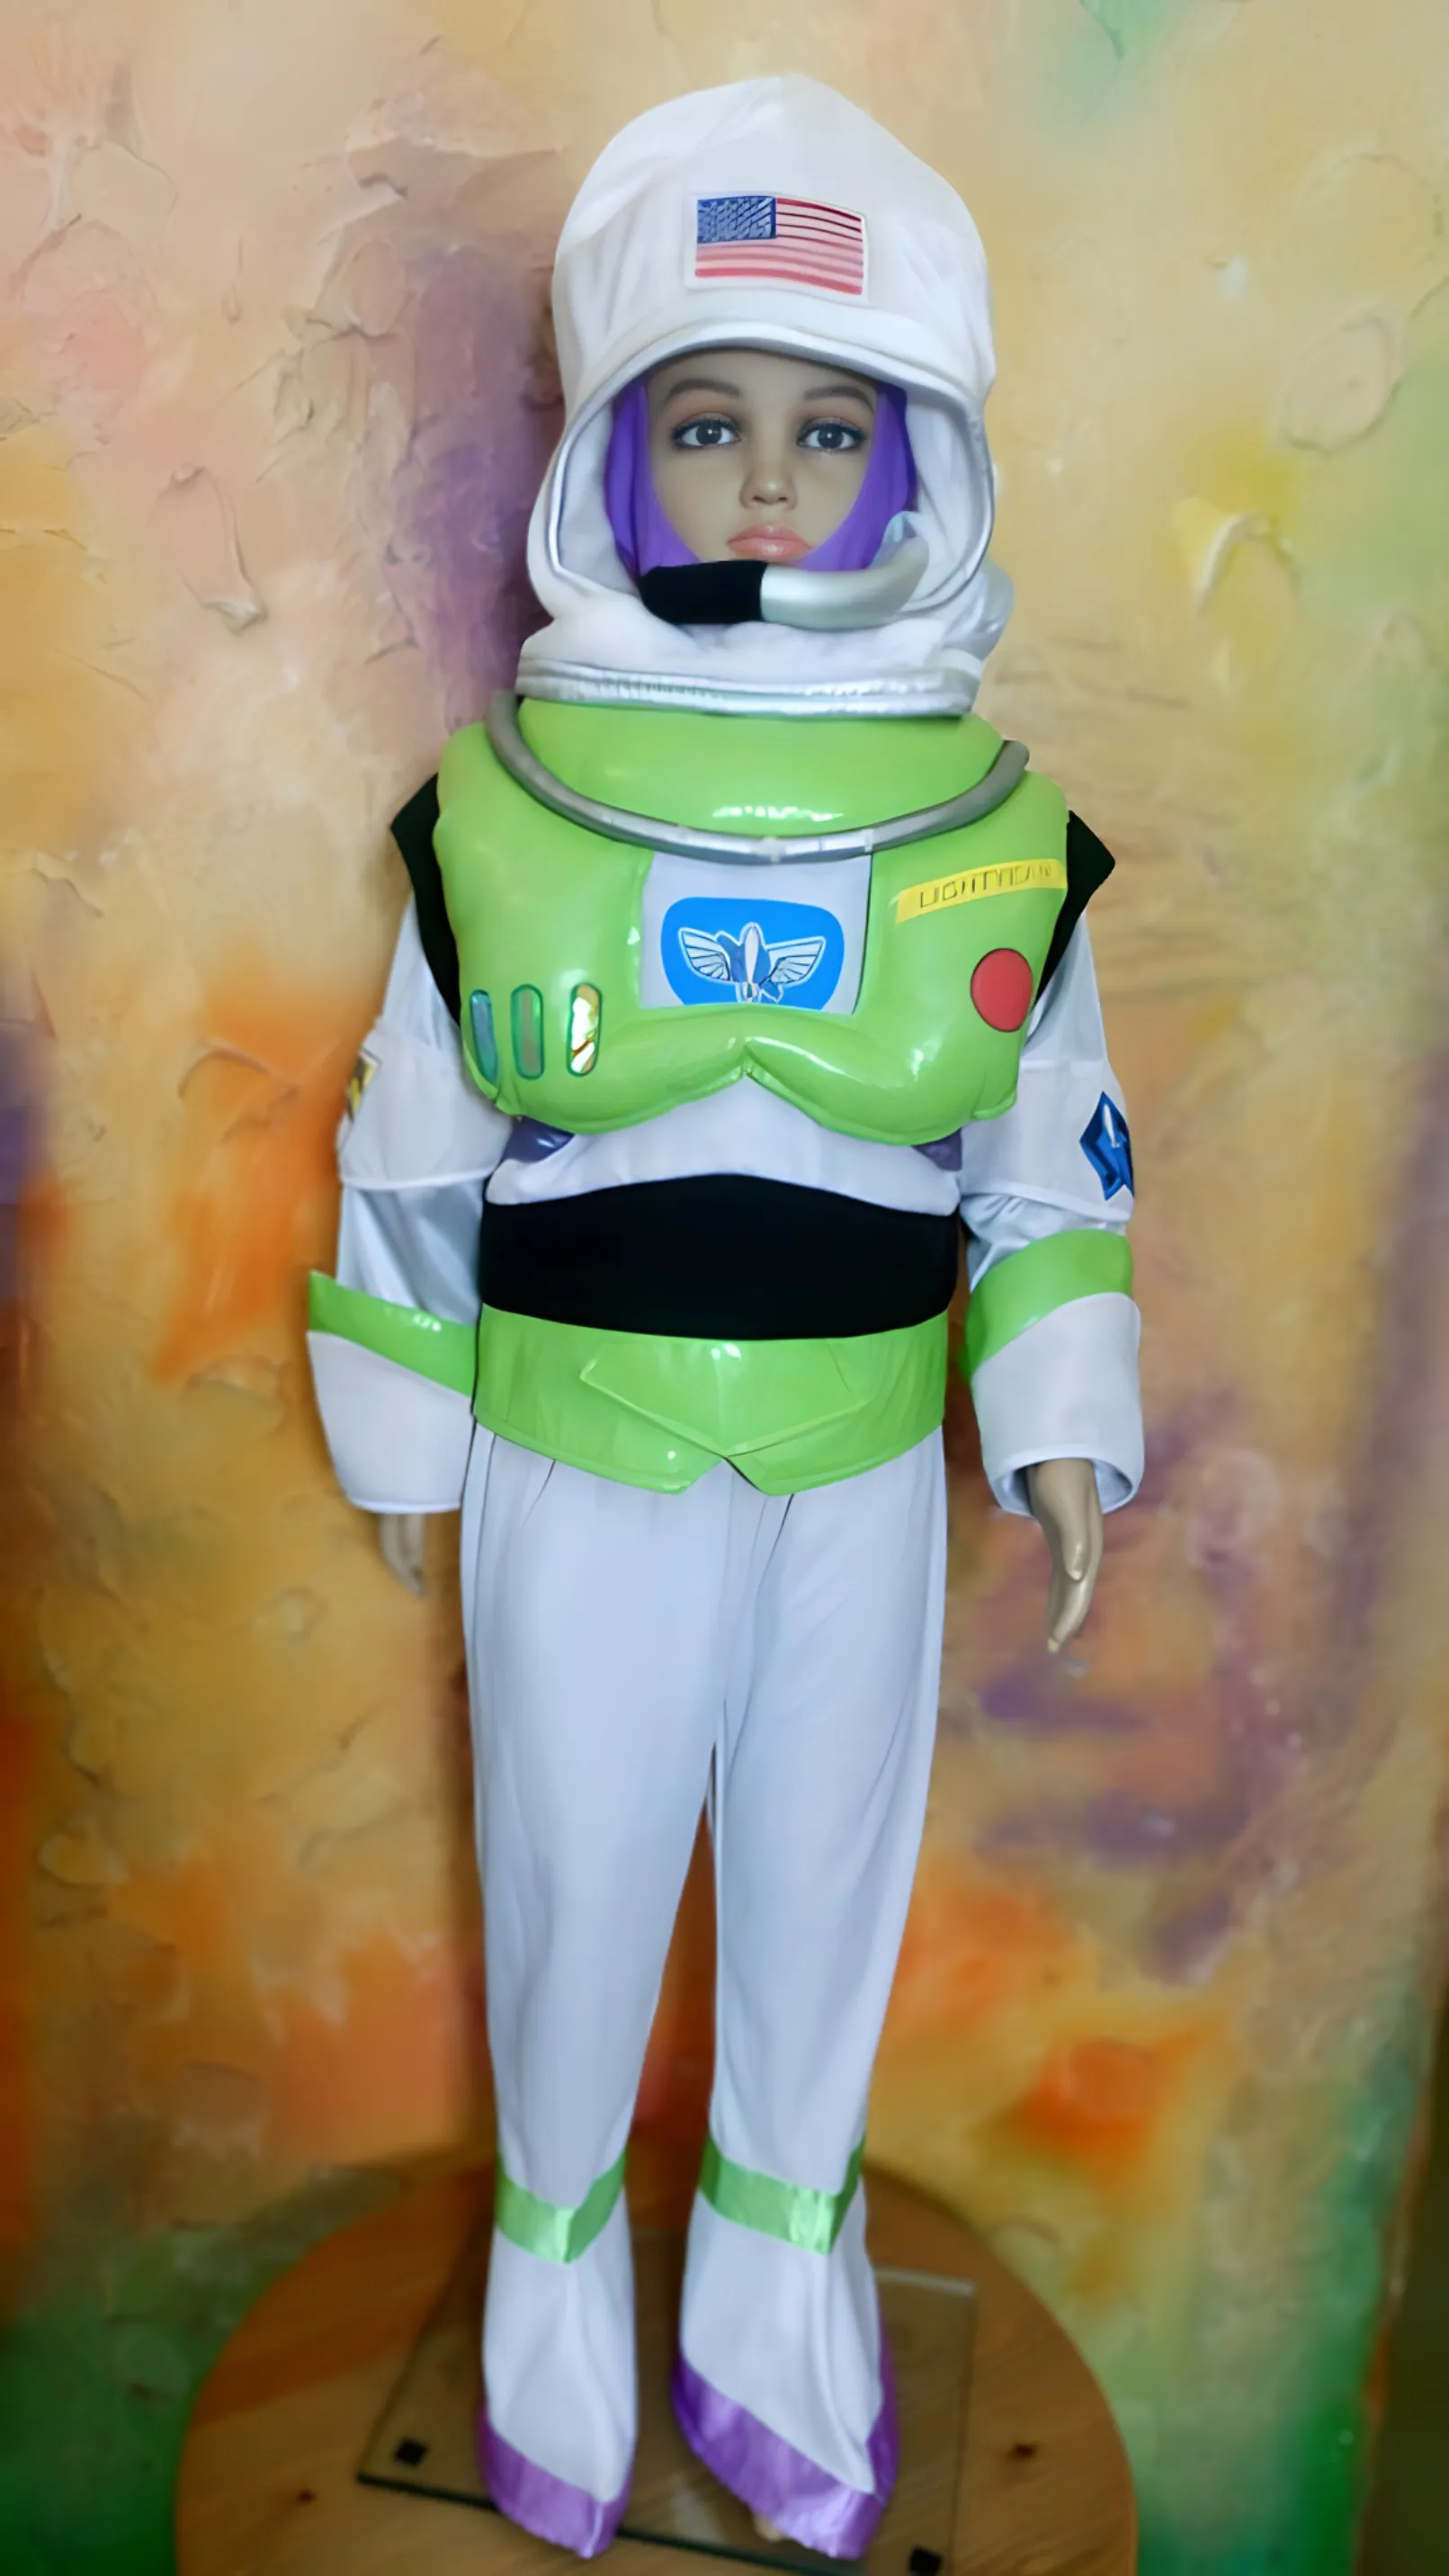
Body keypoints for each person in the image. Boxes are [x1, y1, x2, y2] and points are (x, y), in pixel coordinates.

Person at [308, 75, 1142, 2561]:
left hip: (864, 1468)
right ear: (614, 459)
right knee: (573, 1890)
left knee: (816, 1900)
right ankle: (547, 2312)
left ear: (918, 475)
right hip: (579, 1455)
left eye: (826, 430)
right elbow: (413, 1144)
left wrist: (1056, 1418)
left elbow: (1052, 1160)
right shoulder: (497, 814)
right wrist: (408, 1438)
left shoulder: (998, 832)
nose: (768, 482)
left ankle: (784, 2320)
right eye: (705, 424)